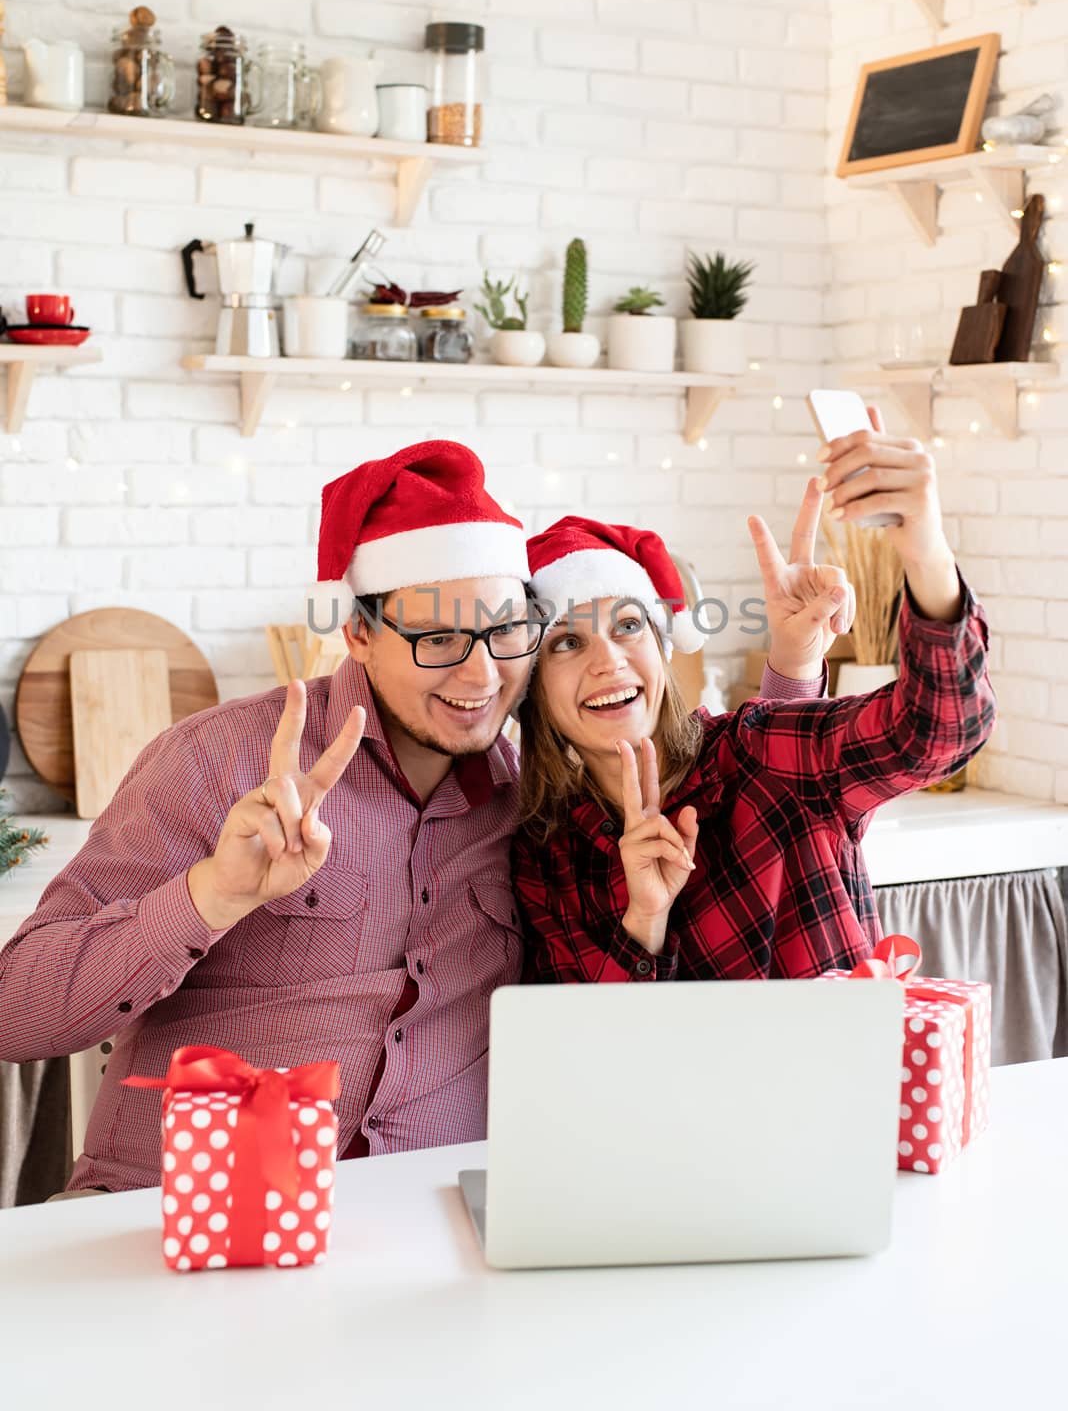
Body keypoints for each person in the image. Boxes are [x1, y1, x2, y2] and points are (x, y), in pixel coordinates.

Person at [0, 441, 828, 1194]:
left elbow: (720, 817)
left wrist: (794, 667)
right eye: (437, 637)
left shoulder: (527, 802)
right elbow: (16, 1017)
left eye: (505, 630)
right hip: (190, 1217)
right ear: (358, 634)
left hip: (431, 1232)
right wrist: (213, 895)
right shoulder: (221, 762)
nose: (478, 673)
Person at [513, 410, 997, 983]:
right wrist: (645, 920)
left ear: (662, 649)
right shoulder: (549, 854)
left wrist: (925, 554)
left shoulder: (759, 753)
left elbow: (935, 730)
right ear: (532, 688)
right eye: (567, 642)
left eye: (627, 626)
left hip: (841, 1071)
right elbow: (593, 1051)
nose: (609, 661)